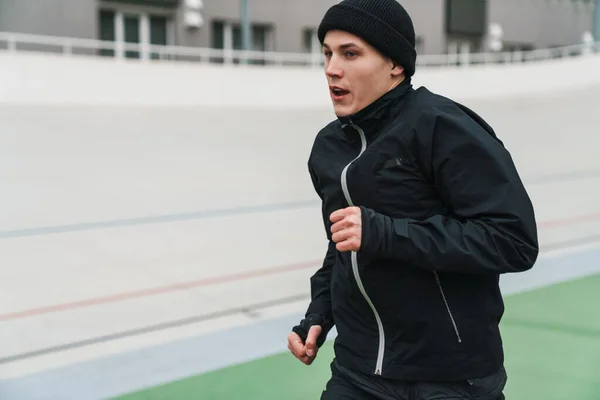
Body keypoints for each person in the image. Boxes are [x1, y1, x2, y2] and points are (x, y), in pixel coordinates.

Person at [286, 0, 539, 399]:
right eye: (328, 53)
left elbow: (513, 241)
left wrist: (385, 234)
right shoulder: (329, 148)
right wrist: (320, 313)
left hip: (450, 377)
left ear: (395, 65)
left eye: (351, 54)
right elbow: (343, 244)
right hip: (358, 371)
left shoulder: (442, 126)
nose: (332, 68)